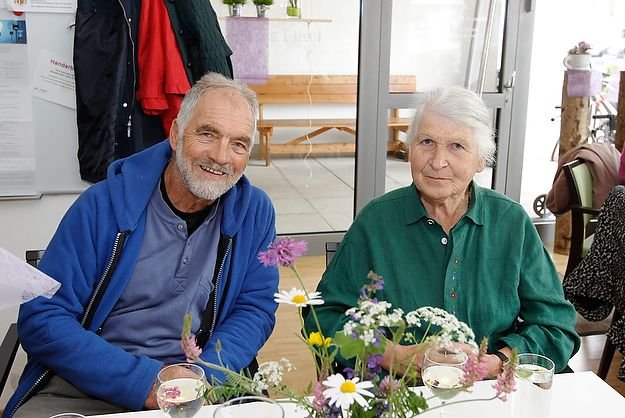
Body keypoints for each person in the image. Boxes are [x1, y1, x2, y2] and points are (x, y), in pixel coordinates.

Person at [4, 73, 279, 417]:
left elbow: (254, 310)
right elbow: (42, 317)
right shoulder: (101, 205)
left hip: (201, 381)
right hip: (94, 380)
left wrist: (204, 376)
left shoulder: (255, 212)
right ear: (176, 134)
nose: (221, 156)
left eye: (238, 144)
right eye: (208, 134)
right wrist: (144, 382)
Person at [306, 86, 580, 378]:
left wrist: (497, 362)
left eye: (457, 146)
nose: (438, 161)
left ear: (481, 159)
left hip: (489, 390)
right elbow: (322, 318)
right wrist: (393, 356)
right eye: (426, 142)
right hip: (400, 391)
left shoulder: (510, 222)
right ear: (410, 149)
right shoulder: (376, 222)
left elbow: (556, 327)